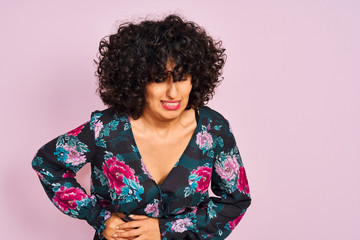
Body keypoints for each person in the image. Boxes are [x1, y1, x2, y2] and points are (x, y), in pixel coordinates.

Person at [32, 14, 251, 240]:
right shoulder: (106, 129)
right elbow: (47, 164)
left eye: (181, 77)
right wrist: (98, 216)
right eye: (158, 79)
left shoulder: (213, 129)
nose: (173, 93)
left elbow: (236, 201)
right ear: (136, 80)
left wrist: (163, 230)